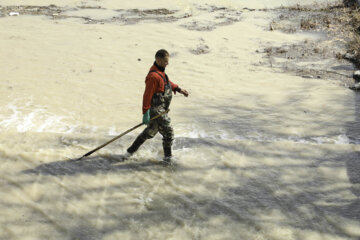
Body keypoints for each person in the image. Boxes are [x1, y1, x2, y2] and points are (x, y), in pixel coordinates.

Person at [126, 49, 189, 163]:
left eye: (168, 61)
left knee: (150, 131)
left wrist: (178, 89)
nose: (167, 63)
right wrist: (145, 113)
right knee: (168, 133)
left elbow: (167, 83)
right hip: (156, 110)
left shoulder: (161, 72)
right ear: (158, 60)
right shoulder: (153, 77)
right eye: (165, 61)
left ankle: (130, 151)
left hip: (162, 109)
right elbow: (147, 95)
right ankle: (168, 159)